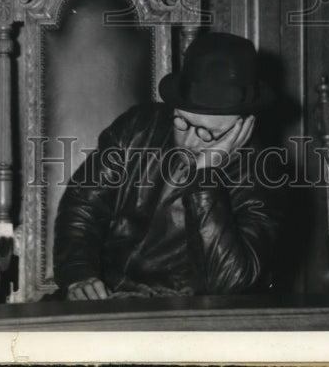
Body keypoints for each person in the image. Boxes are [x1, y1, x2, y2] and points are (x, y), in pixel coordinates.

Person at [53, 32, 281, 300]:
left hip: (188, 320)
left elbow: (227, 282)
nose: (191, 140)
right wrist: (80, 274)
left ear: (244, 125)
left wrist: (205, 176)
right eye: (183, 121)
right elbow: (83, 207)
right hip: (107, 303)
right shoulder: (137, 127)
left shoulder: (265, 173)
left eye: (211, 133)